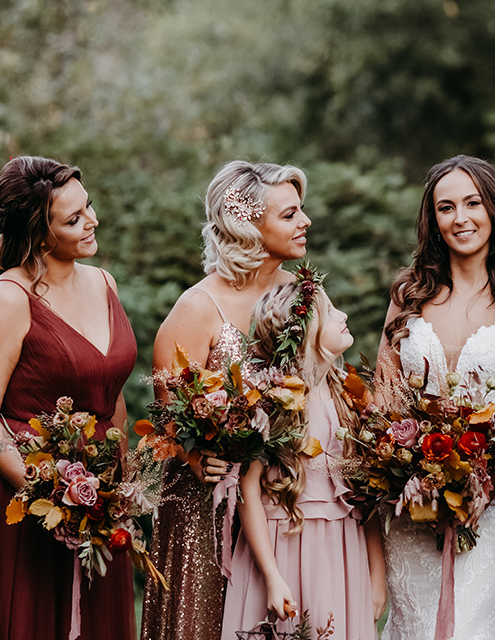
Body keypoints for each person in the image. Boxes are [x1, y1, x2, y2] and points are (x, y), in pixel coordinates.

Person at [0, 156, 137, 639]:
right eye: (74, 219)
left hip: (100, 500)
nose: (93, 221)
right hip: (23, 497)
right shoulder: (7, 298)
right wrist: (56, 495)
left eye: (89, 207)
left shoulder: (105, 283)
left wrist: (119, 485)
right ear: (40, 234)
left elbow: (112, 394)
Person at [377, 155, 495, 640]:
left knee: (468, 626)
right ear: (432, 219)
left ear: (494, 209)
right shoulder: (408, 294)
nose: (461, 218)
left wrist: (490, 468)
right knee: (414, 622)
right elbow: (383, 397)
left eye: (473, 203)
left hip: (494, 496)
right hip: (411, 495)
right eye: (446, 207)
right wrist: (407, 467)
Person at [141, 161, 312, 640]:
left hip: (279, 498)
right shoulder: (197, 309)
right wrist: (194, 455)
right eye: (290, 214)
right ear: (248, 226)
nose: (306, 222)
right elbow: (166, 415)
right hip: (205, 511)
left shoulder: (298, 296)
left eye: (302, 211)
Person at [220, 274, 386, 639]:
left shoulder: (351, 397)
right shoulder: (270, 401)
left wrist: (377, 573)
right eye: (329, 311)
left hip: (344, 552)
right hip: (283, 547)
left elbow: (366, 495)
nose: (342, 314)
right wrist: (273, 577)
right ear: (305, 332)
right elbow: (248, 492)